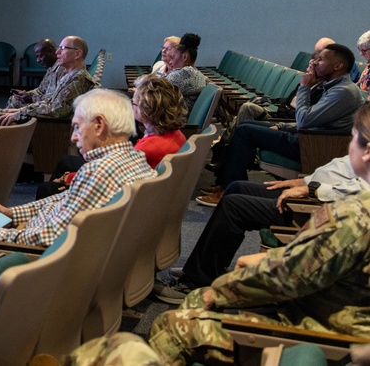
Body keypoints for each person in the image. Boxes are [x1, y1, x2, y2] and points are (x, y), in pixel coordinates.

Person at [148, 103, 370, 365]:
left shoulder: (354, 218)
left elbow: (290, 276)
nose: (349, 146)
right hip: (324, 308)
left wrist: (221, 290)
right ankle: (198, 277)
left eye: (352, 137)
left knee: (173, 324)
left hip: (316, 327)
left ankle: (199, 282)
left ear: (366, 151)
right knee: (201, 297)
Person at [0, 89, 154, 283]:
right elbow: (64, 202)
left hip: (27, 258)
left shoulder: (99, 172)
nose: (74, 136)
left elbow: (48, 241)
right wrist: (13, 213)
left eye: (77, 127)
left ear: (99, 125)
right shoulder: (133, 159)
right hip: (43, 236)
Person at [155, 154, 369, 304]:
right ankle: (208, 268)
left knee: (235, 206)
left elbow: (362, 189)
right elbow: (341, 170)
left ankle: (196, 281)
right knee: (236, 187)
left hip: (315, 208)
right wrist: (302, 181)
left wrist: (312, 189)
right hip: (313, 192)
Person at [199, 43, 365, 206]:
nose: (314, 63)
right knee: (246, 125)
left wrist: (305, 86)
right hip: (311, 138)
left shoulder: (343, 91)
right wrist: (282, 126)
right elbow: (312, 121)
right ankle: (228, 184)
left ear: (338, 66)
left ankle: (230, 190)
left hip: (315, 146)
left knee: (246, 132)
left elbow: (305, 121)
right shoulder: (333, 86)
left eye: (321, 60)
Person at [34, 75, 186, 199]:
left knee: (47, 188)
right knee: (67, 161)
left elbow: (112, 174)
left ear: (147, 109)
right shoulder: (176, 134)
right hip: (142, 191)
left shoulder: (149, 148)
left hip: (127, 195)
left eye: (134, 102)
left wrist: (69, 178)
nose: (131, 105)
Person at [0, 36, 96, 136]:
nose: (57, 52)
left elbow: (56, 110)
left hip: (48, 127)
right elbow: (50, 100)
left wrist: (20, 113)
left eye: (62, 48)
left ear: (77, 54)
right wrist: (21, 110)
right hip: (43, 120)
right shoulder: (70, 75)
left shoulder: (78, 79)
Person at [164, 32, 207, 112]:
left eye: (172, 58)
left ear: (185, 57)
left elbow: (154, 88)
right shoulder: (197, 74)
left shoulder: (181, 75)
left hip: (174, 120)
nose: (170, 62)